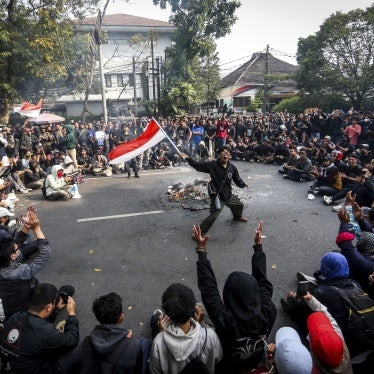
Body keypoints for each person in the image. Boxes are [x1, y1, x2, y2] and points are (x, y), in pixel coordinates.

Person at [192, 222, 277, 373]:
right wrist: (258, 248)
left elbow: (209, 290)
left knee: (199, 309)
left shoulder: (225, 319)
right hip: (254, 359)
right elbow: (263, 283)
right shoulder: (268, 311)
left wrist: (201, 250)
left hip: (228, 364)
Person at [0, 283, 79, 373]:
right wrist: (72, 315)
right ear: (49, 307)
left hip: (12, 364)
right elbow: (72, 338)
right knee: (79, 346)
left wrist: (54, 309)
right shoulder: (47, 331)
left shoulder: (16, 316)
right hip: (35, 370)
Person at [149, 283, 223, 374]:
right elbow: (218, 359)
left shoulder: (158, 343)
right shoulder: (210, 335)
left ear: (168, 313)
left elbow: (154, 371)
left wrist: (161, 333)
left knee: (155, 318)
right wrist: (198, 324)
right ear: (193, 309)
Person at [180, 145, 248, 235]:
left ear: (229, 156)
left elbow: (237, 179)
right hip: (218, 196)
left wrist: (243, 184)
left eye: (227, 153)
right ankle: (199, 233)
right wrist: (188, 159)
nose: (225, 154)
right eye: (223, 152)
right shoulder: (212, 165)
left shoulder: (232, 167)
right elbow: (197, 166)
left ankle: (237, 216)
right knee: (213, 216)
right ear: (219, 155)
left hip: (228, 195)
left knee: (239, 205)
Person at [78, 292, 150, 374]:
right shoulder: (133, 345)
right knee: (145, 343)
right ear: (121, 317)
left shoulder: (86, 342)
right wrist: (127, 342)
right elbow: (137, 369)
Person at [0, 207, 51, 319]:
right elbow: (45, 254)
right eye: (17, 249)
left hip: (9, 308)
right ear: (12, 256)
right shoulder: (19, 272)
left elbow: (16, 243)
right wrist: (36, 228)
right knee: (53, 290)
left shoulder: (4, 261)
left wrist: (27, 225)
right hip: (23, 312)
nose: (18, 247)